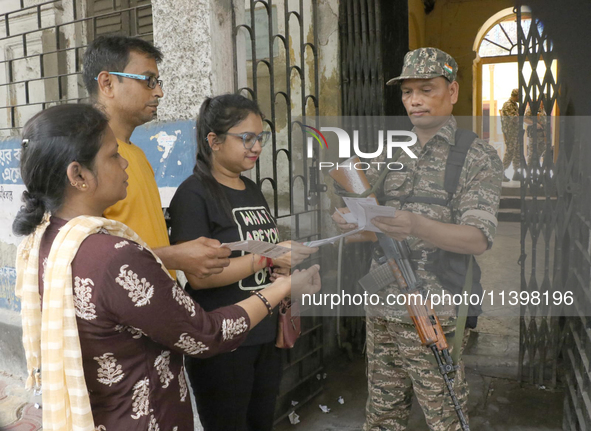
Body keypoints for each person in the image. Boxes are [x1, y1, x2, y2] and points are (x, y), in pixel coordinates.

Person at [13, 104, 320, 431]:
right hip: (143, 418)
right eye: (113, 155)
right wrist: (283, 286)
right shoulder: (115, 254)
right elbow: (206, 334)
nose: (124, 163)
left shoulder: (50, 241)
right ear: (79, 175)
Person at [332, 47, 502, 430]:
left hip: (432, 309)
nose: (414, 101)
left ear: (453, 91)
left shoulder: (476, 156)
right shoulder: (390, 151)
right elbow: (364, 216)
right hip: (381, 306)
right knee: (381, 415)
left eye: (426, 89)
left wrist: (415, 224)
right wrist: (352, 222)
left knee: (445, 418)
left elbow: (477, 239)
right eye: (408, 92)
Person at [168, 94, 317, 431]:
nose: (256, 146)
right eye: (246, 137)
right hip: (224, 337)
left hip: (265, 330)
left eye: (260, 137)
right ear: (214, 141)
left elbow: (262, 251)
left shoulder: (250, 188)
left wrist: (283, 263)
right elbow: (201, 277)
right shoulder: (193, 195)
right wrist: (268, 255)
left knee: (261, 422)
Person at [82, 35, 230, 280]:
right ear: (107, 84)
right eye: (149, 81)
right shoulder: (87, 161)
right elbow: (89, 259)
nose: (159, 92)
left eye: (157, 81)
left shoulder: (137, 155)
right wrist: (175, 256)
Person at [500, 88, 521, 181]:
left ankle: (516, 173)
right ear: (516, 96)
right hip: (510, 132)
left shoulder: (515, 105)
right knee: (510, 152)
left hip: (515, 131)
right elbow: (515, 118)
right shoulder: (508, 105)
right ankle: (501, 172)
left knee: (516, 151)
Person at [524, 98, 549, 170]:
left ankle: (536, 168)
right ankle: (529, 171)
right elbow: (525, 119)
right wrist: (535, 124)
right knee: (532, 153)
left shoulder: (544, 109)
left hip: (543, 135)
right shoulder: (533, 108)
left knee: (541, 151)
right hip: (534, 134)